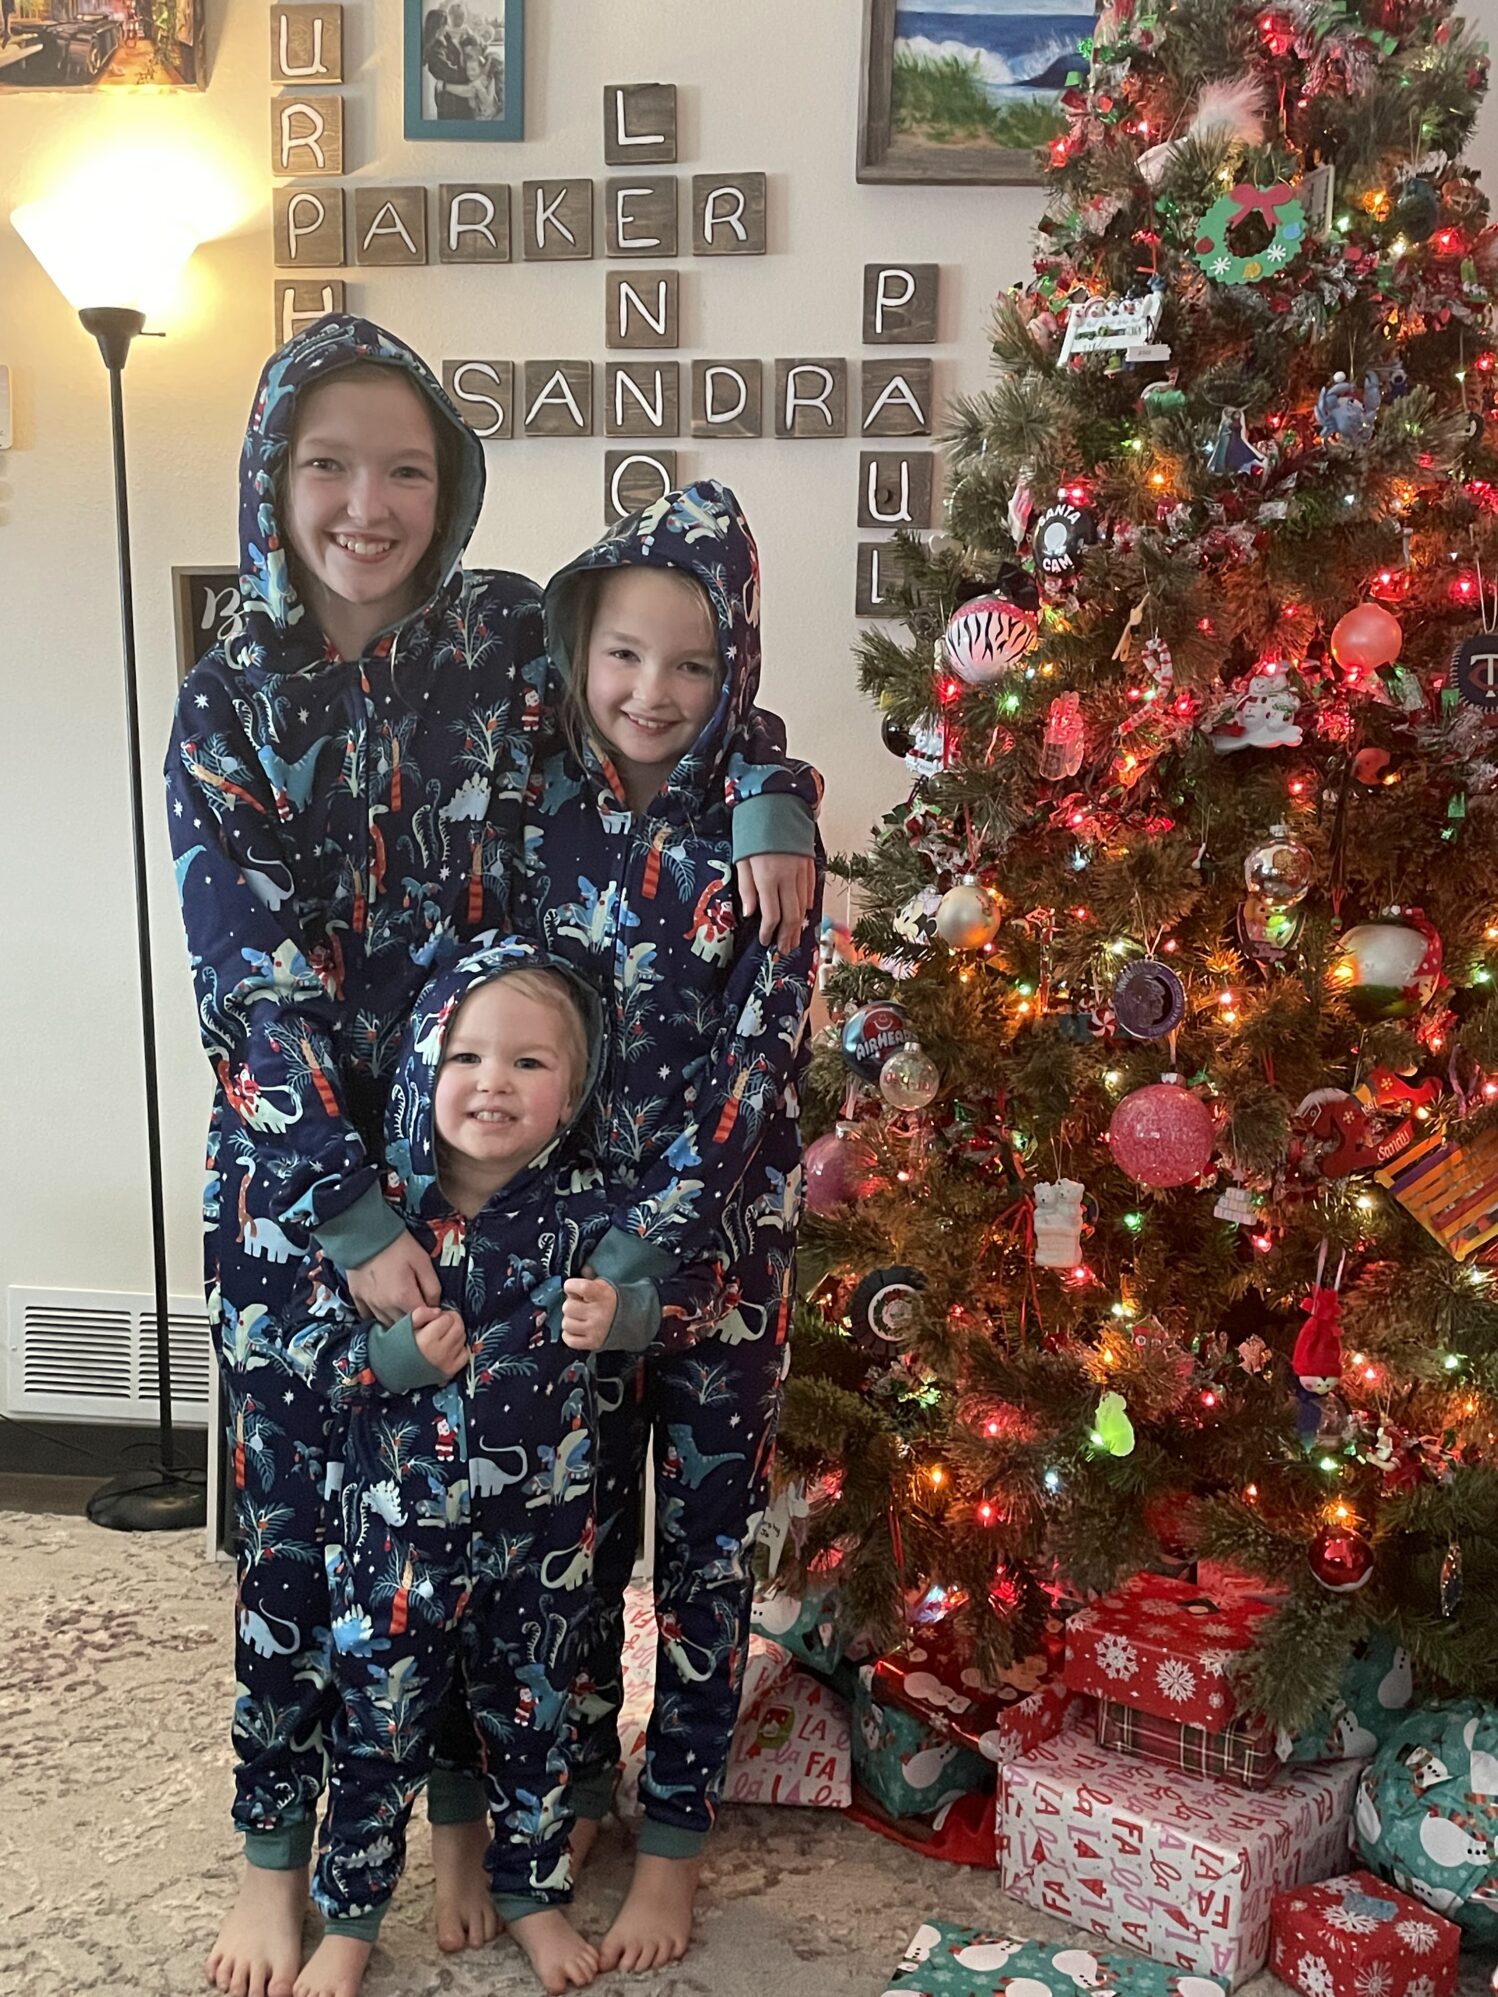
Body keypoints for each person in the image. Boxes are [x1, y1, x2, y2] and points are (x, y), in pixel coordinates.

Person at [167, 317, 815, 1997]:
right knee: (306, 1533)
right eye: (326, 464)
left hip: (519, 1167)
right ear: (269, 481)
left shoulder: (492, 645)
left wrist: (778, 794)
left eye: (403, 467)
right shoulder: (224, 695)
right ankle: (280, 1858)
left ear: (447, 486)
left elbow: (674, 692)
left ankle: (479, 1821)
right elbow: (246, 984)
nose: (364, 504)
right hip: (313, 1186)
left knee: (492, 1519)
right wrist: (357, 1214)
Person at [440, 483, 823, 1972]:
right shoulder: (537, 811)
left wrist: (650, 1249)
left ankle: (674, 1843)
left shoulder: (767, 836)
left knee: (708, 1561)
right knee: (571, 1550)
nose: (649, 694)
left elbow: (758, 1068)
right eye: (621, 656)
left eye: (689, 665)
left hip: (718, 1271)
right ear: (575, 651)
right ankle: (581, 1791)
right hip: (559, 1266)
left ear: (733, 670)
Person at [295, 941, 728, 1997]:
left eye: (529, 1063)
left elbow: (690, 1302)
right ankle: (350, 1917)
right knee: (375, 1731)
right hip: (394, 1549)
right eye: (466, 1057)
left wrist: (625, 1315)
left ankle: (533, 1893)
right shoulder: (377, 1223)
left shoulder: (590, 1215)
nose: (493, 1082)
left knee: (534, 1727)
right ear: (420, 1072)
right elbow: (302, 1355)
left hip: (540, 1551)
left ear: (571, 1092)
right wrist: (388, 1358)